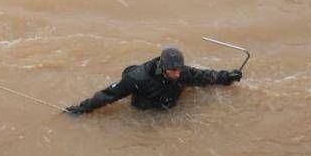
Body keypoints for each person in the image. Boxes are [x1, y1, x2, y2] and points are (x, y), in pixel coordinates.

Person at [65, 47, 241, 115]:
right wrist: (84, 108)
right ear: (163, 68)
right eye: (173, 71)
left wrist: (227, 77)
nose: (178, 74)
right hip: (146, 110)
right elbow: (108, 95)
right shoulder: (138, 78)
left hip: (170, 104)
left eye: (179, 69)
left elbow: (204, 76)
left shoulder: (182, 71)